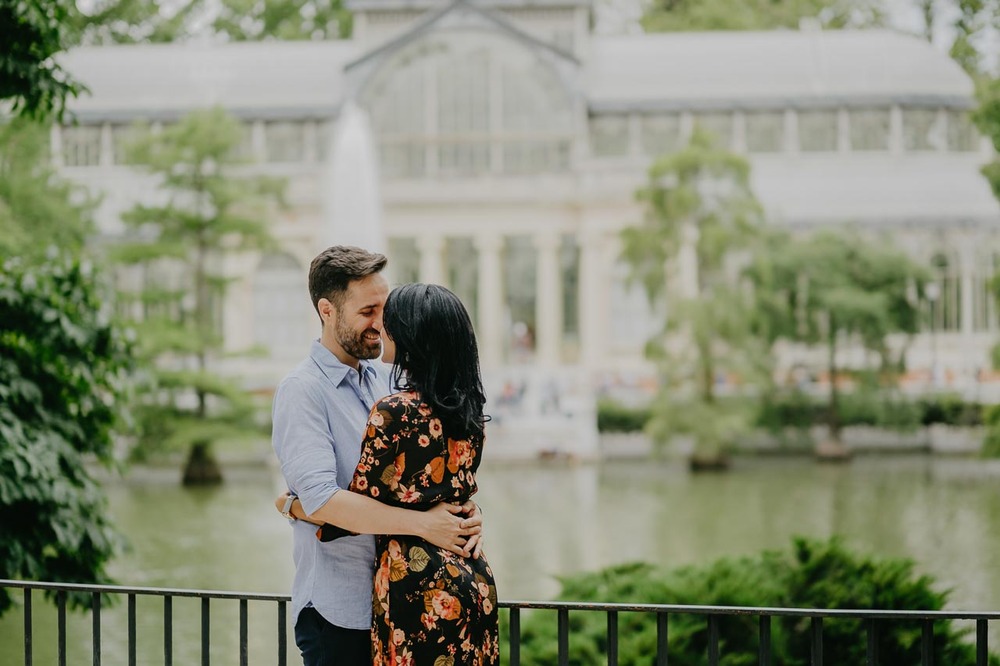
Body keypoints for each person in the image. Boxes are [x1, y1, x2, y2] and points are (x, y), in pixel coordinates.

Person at [271, 246, 483, 666]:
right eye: (368, 311)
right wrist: (427, 525)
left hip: (405, 605)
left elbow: (425, 480)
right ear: (327, 310)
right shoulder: (302, 391)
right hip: (342, 610)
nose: (382, 324)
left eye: (385, 309)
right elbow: (324, 500)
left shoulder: (390, 377)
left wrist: (464, 514)